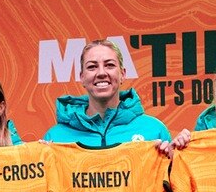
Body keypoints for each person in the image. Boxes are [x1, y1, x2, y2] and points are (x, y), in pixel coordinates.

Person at [42, 38, 173, 146]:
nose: (101, 73)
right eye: (92, 67)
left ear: (122, 74)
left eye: (109, 65)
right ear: (82, 77)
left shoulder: (154, 131)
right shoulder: (55, 138)